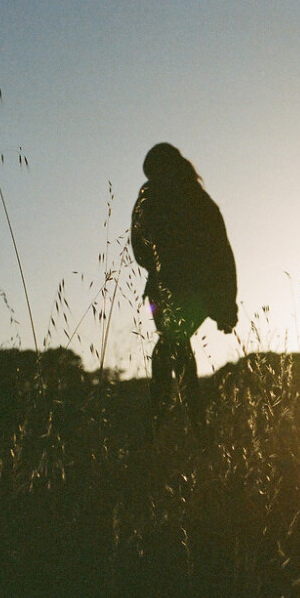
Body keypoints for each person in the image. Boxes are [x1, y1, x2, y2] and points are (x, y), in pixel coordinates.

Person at [130, 143, 238, 428]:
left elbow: (221, 252)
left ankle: (166, 422)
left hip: (181, 289)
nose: (151, 179)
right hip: (181, 290)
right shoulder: (187, 199)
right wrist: (226, 302)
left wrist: (226, 303)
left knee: (170, 347)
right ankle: (188, 426)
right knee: (174, 347)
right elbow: (223, 254)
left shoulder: (169, 197)